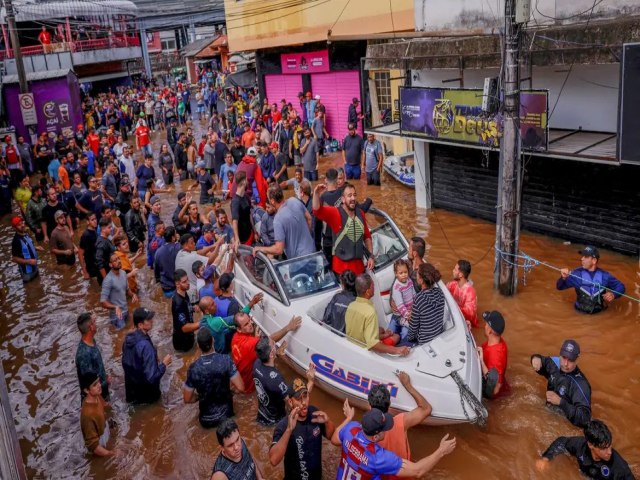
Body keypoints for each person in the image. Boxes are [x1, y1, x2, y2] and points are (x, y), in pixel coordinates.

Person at [332, 403, 456, 479]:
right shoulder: (378, 458)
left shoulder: (350, 428)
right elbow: (418, 471)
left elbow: (334, 439)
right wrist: (441, 451)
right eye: (384, 429)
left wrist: (348, 418)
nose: (387, 430)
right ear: (375, 437)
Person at [368, 371, 432, 479]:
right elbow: (426, 409)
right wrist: (407, 385)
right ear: (389, 404)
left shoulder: (365, 431)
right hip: (404, 474)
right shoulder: (401, 421)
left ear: (369, 405)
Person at [269, 377, 333, 480]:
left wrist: (327, 421)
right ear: (290, 402)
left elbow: (330, 436)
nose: (304, 402)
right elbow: (273, 460)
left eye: (305, 396)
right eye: (299, 399)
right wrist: (289, 430)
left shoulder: (315, 413)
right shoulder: (284, 425)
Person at [184, 328, 244, 428]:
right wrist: (230, 392)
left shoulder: (193, 368)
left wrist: (201, 397)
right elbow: (241, 388)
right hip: (226, 416)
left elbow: (187, 399)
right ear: (213, 340)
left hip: (206, 420)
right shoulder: (226, 360)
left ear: (198, 346)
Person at [536, 419, 635, 479]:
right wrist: (545, 459)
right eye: (604, 448)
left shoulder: (620, 468)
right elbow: (562, 442)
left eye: (610, 446)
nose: (609, 452)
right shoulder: (580, 446)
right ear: (591, 445)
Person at [312, 183, 374, 275]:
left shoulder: (360, 213)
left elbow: (367, 236)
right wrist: (316, 193)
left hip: (359, 268)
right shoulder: (335, 213)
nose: (353, 198)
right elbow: (317, 211)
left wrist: (370, 256)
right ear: (343, 199)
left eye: (354, 195)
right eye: (349, 196)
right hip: (341, 271)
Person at [231, 313, 301, 394]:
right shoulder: (250, 344)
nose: (251, 324)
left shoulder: (235, 337)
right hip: (249, 388)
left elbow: (249, 349)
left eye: (250, 320)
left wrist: (255, 339)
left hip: (237, 381)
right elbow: (269, 341)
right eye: (246, 324)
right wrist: (288, 328)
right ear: (239, 329)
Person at [253, 336, 315, 426]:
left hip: (262, 414)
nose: (275, 343)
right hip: (275, 421)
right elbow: (292, 403)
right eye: (273, 344)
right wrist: (311, 381)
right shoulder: (276, 380)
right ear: (271, 354)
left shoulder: (257, 363)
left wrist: (278, 354)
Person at [531, 339, 592, 428]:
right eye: (563, 358)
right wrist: (535, 359)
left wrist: (561, 402)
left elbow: (585, 419)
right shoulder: (555, 363)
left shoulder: (581, 385)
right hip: (547, 413)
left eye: (570, 360)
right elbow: (541, 361)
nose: (566, 364)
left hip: (563, 424)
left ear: (577, 360)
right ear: (560, 355)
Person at [345, 273, 409, 356]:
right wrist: (397, 350)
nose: (374, 288)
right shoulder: (370, 311)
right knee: (396, 336)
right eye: (373, 286)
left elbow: (360, 331)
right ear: (368, 292)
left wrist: (385, 334)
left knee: (381, 329)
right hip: (367, 350)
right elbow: (373, 345)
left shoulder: (351, 306)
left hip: (355, 345)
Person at [122, 308, 172, 405]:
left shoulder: (128, 339)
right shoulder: (145, 346)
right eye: (148, 320)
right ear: (140, 325)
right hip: (147, 396)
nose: (152, 321)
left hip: (132, 392)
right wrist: (164, 364)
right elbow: (152, 377)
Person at [556, 246, 626, 314]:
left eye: (586, 257)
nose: (582, 259)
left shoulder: (605, 276)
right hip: (579, 313)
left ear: (594, 261)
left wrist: (613, 295)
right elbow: (559, 287)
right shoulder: (576, 274)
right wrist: (563, 278)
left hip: (599, 314)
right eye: (582, 256)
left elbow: (621, 286)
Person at [253, 184, 315, 260]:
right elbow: (309, 218)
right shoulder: (294, 200)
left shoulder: (278, 219)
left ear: (272, 201)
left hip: (299, 261)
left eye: (268, 199)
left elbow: (279, 249)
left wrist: (260, 249)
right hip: (312, 252)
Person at [408, 263, 445, 345]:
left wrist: (409, 338)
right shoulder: (440, 292)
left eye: (417, 273)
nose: (415, 275)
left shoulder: (419, 299)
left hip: (424, 341)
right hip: (438, 335)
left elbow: (413, 328)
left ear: (421, 280)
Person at [75, 312, 109, 401]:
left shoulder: (91, 340)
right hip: (97, 396)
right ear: (91, 327)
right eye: (94, 322)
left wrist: (105, 379)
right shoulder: (83, 354)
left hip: (102, 388)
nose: (96, 324)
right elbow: (89, 385)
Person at [79, 373, 114, 457]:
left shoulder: (97, 396)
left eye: (98, 382)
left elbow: (105, 406)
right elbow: (93, 446)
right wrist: (111, 454)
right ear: (86, 390)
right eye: (95, 385)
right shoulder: (88, 415)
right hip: (99, 445)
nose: (99, 385)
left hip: (104, 433)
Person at [477, 311, 510, 399]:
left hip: (494, 398)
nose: (484, 326)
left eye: (486, 324)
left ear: (490, 330)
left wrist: (481, 362)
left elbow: (495, 389)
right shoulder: (499, 342)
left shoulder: (495, 356)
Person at [100, 253, 137, 329]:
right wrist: (115, 307)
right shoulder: (108, 280)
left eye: (118, 258)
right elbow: (103, 302)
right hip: (117, 317)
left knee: (134, 327)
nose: (119, 261)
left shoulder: (123, 273)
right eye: (115, 260)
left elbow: (127, 290)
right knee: (122, 337)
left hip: (126, 311)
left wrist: (133, 295)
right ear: (110, 265)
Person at [172, 269, 201, 352]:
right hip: (183, 343)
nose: (188, 283)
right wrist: (202, 323)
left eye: (187, 279)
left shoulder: (184, 293)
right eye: (184, 282)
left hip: (189, 336)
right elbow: (184, 328)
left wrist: (192, 308)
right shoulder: (178, 303)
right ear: (177, 284)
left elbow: (185, 308)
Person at [388, 259, 415, 343]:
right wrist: (408, 316)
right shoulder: (397, 287)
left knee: (405, 331)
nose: (404, 275)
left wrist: (414, 309)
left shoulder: (409, 281)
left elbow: (414, 295)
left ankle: (403, 339)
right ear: (396, 274)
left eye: (405, 272)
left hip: (409, 312)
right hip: (400, 315)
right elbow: (400, 306)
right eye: (401, 273)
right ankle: (400, 342)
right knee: (406, 329)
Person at [446, 259, 478, 327]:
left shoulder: (470, 292)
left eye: (455, 269)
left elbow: (470, 314)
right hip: (456, 315)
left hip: (468, 324)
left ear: (460, 274)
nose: (453, 271)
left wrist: (452, 306)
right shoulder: (452, 284)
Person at [11, 216, 41, 283]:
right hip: (27, 272)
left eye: (22, 223)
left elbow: (27, 246)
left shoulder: (25, 233)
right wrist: (28, 261)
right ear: (14, 228)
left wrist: (36, 248)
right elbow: (14, 258)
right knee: (30, 289)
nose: (22, 225)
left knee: (39, 287)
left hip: (35, 267)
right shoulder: (16, 241)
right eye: (19, 225)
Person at [154, 227, 181, 297]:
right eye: (175, 234)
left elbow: (156, 270)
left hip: (166, 287)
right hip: (178, 285)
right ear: (173, 238)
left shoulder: (158, 252)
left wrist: (158, 280)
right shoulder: (178, 248)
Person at [230, 171, 254, 247]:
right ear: (243, 182)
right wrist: (237, 239)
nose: (247, 182)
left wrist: (254, 230)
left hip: (250, 234)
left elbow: (249, 214)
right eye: (246, 180)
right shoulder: (235, 202)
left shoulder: (246, 197)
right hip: (242, 238)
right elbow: (234, 221)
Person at [78, 213, 100, 281]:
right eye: (92, 220)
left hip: (97, 264)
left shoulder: (94, 230)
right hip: (92, 267)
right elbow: (80, 254)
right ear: (87, 222)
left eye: (95, 219)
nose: (95, 221)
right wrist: (85, 272)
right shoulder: (86, 235)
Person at [95, 217, 116, 282]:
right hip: (107, 276)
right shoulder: (101, 243)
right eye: (109, 227)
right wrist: (106, 280)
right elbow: (99, 262)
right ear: (103, 229)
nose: (111, 229)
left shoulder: (106, 238)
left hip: (111, 272)